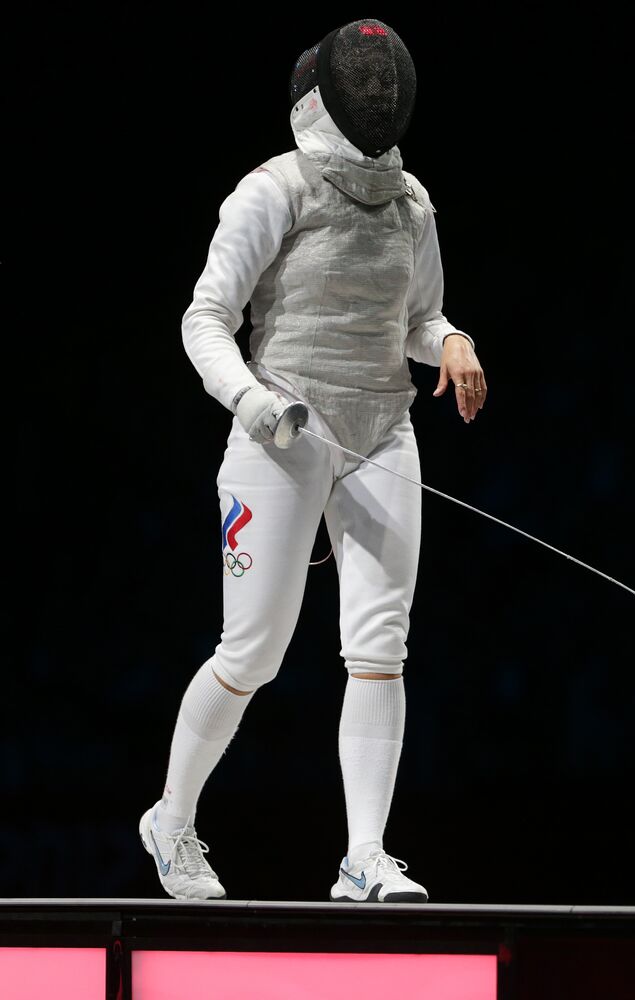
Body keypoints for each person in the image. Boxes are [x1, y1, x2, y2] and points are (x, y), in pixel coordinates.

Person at [138, 18, 485, 903]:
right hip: (280, 431)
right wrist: (258, 400)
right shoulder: (273, 188)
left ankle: (363, 857)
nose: (375, 96)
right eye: (359, 84)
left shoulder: (412, 200)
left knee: (380, 646)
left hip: (382, 432)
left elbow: (419, 317)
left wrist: (451, 341)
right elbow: (204, 317)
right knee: (251, 652)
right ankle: (171, 822)